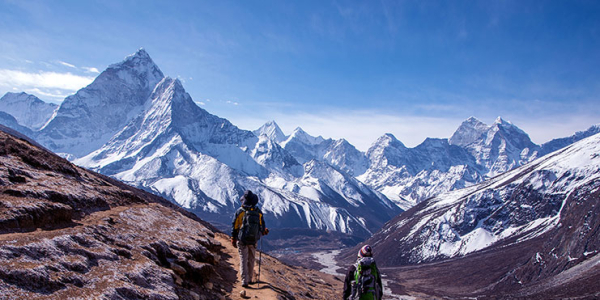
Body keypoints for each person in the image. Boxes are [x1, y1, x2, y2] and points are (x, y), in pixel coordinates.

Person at [231, 190, 269, 287]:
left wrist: (233, 238)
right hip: (253, 240)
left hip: (242, 239)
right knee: (251, 259)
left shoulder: (240, 211)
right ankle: (250, 278)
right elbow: (262, 227)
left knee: (243, 259)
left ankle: (244, 280)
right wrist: (263, 232)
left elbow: (235, 226)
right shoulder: (258, 212)